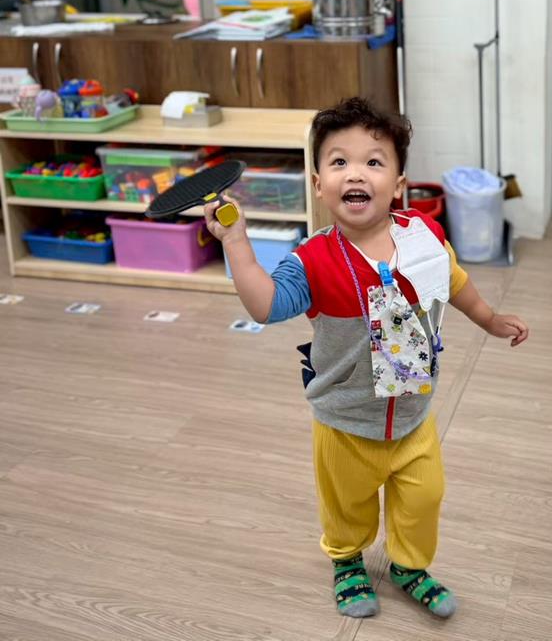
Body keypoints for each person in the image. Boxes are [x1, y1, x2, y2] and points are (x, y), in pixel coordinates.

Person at [205, 97, 530, 620]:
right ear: (319, 184)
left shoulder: (424, 236)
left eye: (373, 161)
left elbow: (454, 282)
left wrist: (489, 319)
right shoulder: (312, 261)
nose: (355, 172)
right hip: (346, 420)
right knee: (346, 505)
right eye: (339, 161)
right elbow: (265, 305)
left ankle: (407, 566)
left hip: (413, 414)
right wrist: (237, 241)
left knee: (424, 499)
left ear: (398, 183)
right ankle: (347, 560)